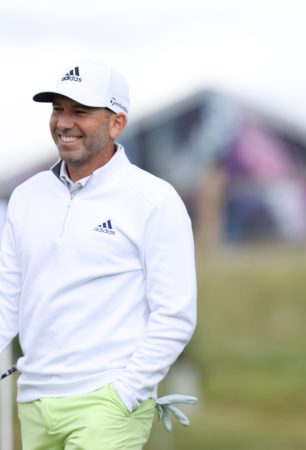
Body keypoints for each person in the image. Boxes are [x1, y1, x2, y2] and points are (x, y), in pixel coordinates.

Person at [0, 60, 197, 449]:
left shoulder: (153, 200)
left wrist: (126, 393)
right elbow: (8, 298)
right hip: (35, 401)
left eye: (80, 111)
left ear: (116, 123)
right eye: (58, 108)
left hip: (107, 404)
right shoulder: (26, 197)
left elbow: (174, 313)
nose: (63, 122)